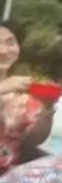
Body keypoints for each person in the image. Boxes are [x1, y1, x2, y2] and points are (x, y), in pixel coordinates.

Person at [0, 21, 53, 173]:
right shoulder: (10, 86)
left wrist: (48, 108)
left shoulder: (22, 89)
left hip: (8, 177)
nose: (4, 51)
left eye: (10, 43)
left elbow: (35, 139)